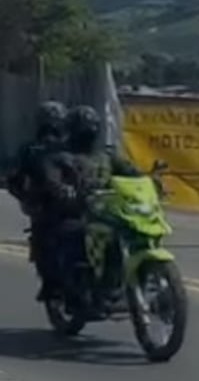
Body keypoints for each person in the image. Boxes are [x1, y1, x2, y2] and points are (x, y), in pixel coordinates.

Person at [45, 105, 142, 286]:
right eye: (83, 128)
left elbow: (133, 172)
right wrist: (64, 190)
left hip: (110, 211)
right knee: (73, 235)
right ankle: (80, 284)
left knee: (135, 229)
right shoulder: (61, 156)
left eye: (91, 127)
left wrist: (149, 180)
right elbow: (53, 181)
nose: (88, 132)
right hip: (79, 212)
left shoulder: (106, 155)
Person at [6, 101, 68, 301]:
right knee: (43, 241)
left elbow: (13, 180)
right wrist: (28, 200)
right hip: (47, 205)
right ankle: (51, 285)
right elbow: (14, 178)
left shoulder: (68, 147)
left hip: (66, 202)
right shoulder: (33, 149)